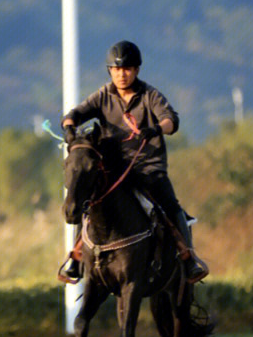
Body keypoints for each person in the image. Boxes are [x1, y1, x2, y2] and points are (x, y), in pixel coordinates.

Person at [59, 40, 209, 284]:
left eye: (127, 69)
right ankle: (75, 259)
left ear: (137, 70)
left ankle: (188, 257)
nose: (121, 74)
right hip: (113, 169)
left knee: (170, 205)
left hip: (147, 168)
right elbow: (74, 114)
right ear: (110, 71)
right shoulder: (103, 95)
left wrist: (156, 129)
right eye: (116, 70)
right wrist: (69, 128)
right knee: (87, 198)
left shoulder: (149, 95)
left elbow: (171, 120)